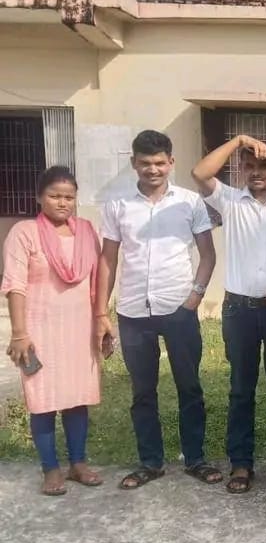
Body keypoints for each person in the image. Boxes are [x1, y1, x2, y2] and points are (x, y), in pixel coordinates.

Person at [95, 130, 221, 490]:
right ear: (134, 163)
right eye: (146, 163)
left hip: (179, 309)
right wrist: (101, 312)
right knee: (142, 392)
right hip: (133, 311)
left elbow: (208, 256)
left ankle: (195, 459)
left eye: (160, 163)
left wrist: (194, 299)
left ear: (171, 162)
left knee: (189, 387)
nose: (153, 169)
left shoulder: (190, 202)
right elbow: (108, 260)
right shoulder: (118, 205)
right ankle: (150, 462)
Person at [192, 134, 266, 494]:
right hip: (239, 310)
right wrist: (240, 140)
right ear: (241, 168)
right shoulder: (230, 201)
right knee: (241, 389)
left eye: (264, 166)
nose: (256, 172)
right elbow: (200, 172)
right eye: (249, 166)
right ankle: (241, 463)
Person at [2, 167, 103, 496]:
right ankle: (50, 469)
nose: (62, 202)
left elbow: (97, 280)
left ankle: (78, 463)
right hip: (39, 331)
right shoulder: (24, 232)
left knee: (77, 399)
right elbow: (14, 285)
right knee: (42, 400)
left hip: (79, 329)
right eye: (54, 196)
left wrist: (102, 321)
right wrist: (20, 333)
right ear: (39, 197)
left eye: (69, 197)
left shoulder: (86, 232)